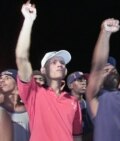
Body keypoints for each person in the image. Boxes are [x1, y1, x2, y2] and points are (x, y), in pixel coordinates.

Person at [15, 2, 82, 141]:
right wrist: (28, 20)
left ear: (66, 70)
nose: (60, 65)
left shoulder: (74, 101)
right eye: (54, 62)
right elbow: (21, 58)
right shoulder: (34, 93)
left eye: (62, 63)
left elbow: (77, 136)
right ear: (43, 70)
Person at [0, 69, 30, 141]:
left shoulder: (30, 112)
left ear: (17, 84)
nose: (2, 80)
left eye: (7, 78)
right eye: (1, 78)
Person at [67, 71, 93, 141]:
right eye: (80, 80)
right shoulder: (64, 104)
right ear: (70, 85)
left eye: (85, 80)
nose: (84, 82)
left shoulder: (89, 104)